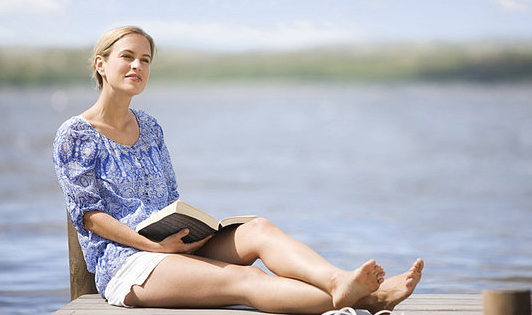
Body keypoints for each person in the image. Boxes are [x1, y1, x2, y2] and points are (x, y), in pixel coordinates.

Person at [53, 26, 423, 314]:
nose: (138, 66)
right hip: (127, 263)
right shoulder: (75, 135)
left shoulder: (149, 127)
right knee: (246, 278)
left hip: (172, 247)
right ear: (101, 64)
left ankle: (339, 281)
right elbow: (89, 216)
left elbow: (168, 198)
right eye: (128, 57)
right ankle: (369, 302)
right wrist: (153, 245)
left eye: (146, 60)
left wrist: (192, 233)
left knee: (258, 229)